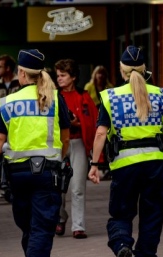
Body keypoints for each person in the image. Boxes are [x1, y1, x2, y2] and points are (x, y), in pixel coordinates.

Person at [88, 45, 163, 257]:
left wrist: (94, 165)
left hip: (125, 166)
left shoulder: (110, 97)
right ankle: (146, 256)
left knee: (121, 213)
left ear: (122, 70)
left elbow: (101, 133)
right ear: (144, 69)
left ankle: (122, 243)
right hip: (156, 165)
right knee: (153, 215)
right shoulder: (162, 95)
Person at [0, 49, 71, 257]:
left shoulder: (9, 102)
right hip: (47, 174)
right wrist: (59, 157)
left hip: (18, 175)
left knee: (28, 227)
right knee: (41, 228)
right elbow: (65, 138)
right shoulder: (55, 99)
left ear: (22, 73)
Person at [54, 58, 98, 239]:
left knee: (77, 186)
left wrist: (78, 123)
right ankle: (60, 217)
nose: (59, 79)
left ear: (73, 77)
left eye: (63, 75)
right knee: (57, 187)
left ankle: (78, 226)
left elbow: (93, 122)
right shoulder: (53, 96)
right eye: (57, 76)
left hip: (78, 142)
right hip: (58, 144)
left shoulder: (84, 96)